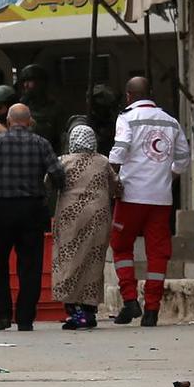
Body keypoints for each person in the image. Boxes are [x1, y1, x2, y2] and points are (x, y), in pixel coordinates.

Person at [0, 103, 66, 331]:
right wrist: (49, 191)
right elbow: (58, 174)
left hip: (2, 210)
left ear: (9, 121)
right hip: (32, 210)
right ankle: (25, 318)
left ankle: (2, 316)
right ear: (29, 122)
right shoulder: (41, 143)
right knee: (30, 266)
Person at [109, 77, 190, 327]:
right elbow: (183, 158)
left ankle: (130, 300)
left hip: (130, 197)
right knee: (158, 252)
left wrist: (111, 178)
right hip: (161, 199)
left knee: (121, 246)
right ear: (151, 93)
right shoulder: (171, 121)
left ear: (128, 96)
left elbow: (120, 149)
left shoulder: (126, 118)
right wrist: (167, 176)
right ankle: (152, 310)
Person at [52, 125, 119, 330]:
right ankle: (89, 312)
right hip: (98, 217)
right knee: (93, 262)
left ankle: (76, 313)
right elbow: (116, 186)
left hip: (70, 219)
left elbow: (49, 182)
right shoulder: (103, 162)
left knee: (69, 261)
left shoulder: (62, 162)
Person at [19, 64, 62, 153]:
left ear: (40, 83)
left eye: (30, 81)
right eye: (24, 81)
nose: (26, 85)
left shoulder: (54, 108)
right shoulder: (21, 107)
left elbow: (60, 138)